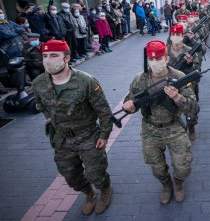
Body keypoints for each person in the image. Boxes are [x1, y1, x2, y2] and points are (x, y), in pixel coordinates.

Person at [32, 40, 113, 215]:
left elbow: (104, 112)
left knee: (96, 173)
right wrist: (51, 121)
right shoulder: (38, 83)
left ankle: (105, 190)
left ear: (67, 58)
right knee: (71, 177)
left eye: (54, 56)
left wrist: (104, 135)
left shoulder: (86, 81)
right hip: (62, 139)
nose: (47, 60)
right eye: (45, 56)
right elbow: (41, 105)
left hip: (88, 136)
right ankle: (88, 193)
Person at [122, 40, 198, 204]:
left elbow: (193, 107)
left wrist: (177, 97)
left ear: (167, 59)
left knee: (183, 166)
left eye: (159, 59)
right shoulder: (140, 79)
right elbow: (131, 100)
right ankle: (166, 185)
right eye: (152, 59)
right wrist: (128, 106)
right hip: (150, 129)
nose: (155, 63)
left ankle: (178, 184)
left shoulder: (178, 77)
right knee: (156, 166)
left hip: (174, 127)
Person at [167, 24, 200, 140]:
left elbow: (197, 69)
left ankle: (191, 127)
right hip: (169, 85)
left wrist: (190, 63)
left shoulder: (189, 50)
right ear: (170, 36)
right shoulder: (165, 51)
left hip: (188, 84)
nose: (175, 36)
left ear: (182, 36)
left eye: (178, 34)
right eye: (173, 34)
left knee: (191, 108)